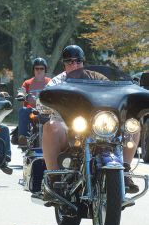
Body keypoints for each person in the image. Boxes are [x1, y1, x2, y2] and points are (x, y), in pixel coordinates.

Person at [42, 44, 140, 194]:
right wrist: (43, 103)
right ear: (64, 64)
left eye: (78, 61)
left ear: (83, 62)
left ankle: (125, 171)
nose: (74, 65)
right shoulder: (57, 82)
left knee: (133, 127)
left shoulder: (97, 78)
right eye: (69, 62)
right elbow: (42, 97)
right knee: (51, 126)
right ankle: (55, 178)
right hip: (69, 127)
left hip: (99, 125)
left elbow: (115, 91)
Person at [17, 57, 51, 146]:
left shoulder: (50, 82)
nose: (39, 71)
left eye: (41, 68)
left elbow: (56, 91)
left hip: (47, 111)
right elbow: (22, 90)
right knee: (23, 110)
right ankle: (23, 137)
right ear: (33, 70)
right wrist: (21, 94)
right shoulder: (27, 83)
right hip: (31, 111)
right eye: (37, 68)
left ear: (45, 70)